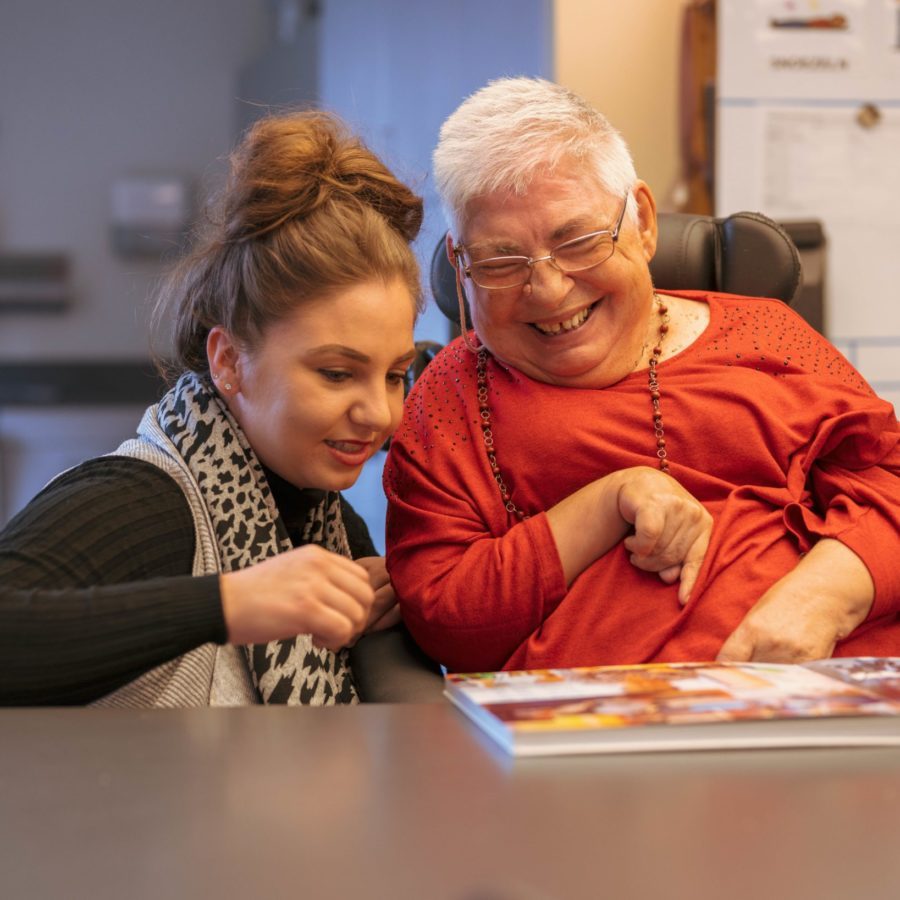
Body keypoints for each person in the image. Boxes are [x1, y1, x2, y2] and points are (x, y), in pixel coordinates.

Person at [384, 77, 900, 674]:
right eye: (501, 261)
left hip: (841, 704)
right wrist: (607, 502)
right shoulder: (449, 399)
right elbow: (446, 619)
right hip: (595, 739)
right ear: (460, 264)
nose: (548, 291)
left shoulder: (768, 335)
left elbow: (889, 485)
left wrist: (822, 599)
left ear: (644, 224)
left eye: (577, 242)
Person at [0, 110, 424, 706]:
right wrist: (230, 603)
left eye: (395, 375)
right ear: (227, 362)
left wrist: (391, 600)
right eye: (336, 373)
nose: (378, 414)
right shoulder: (144, 502)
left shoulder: (330, 523)